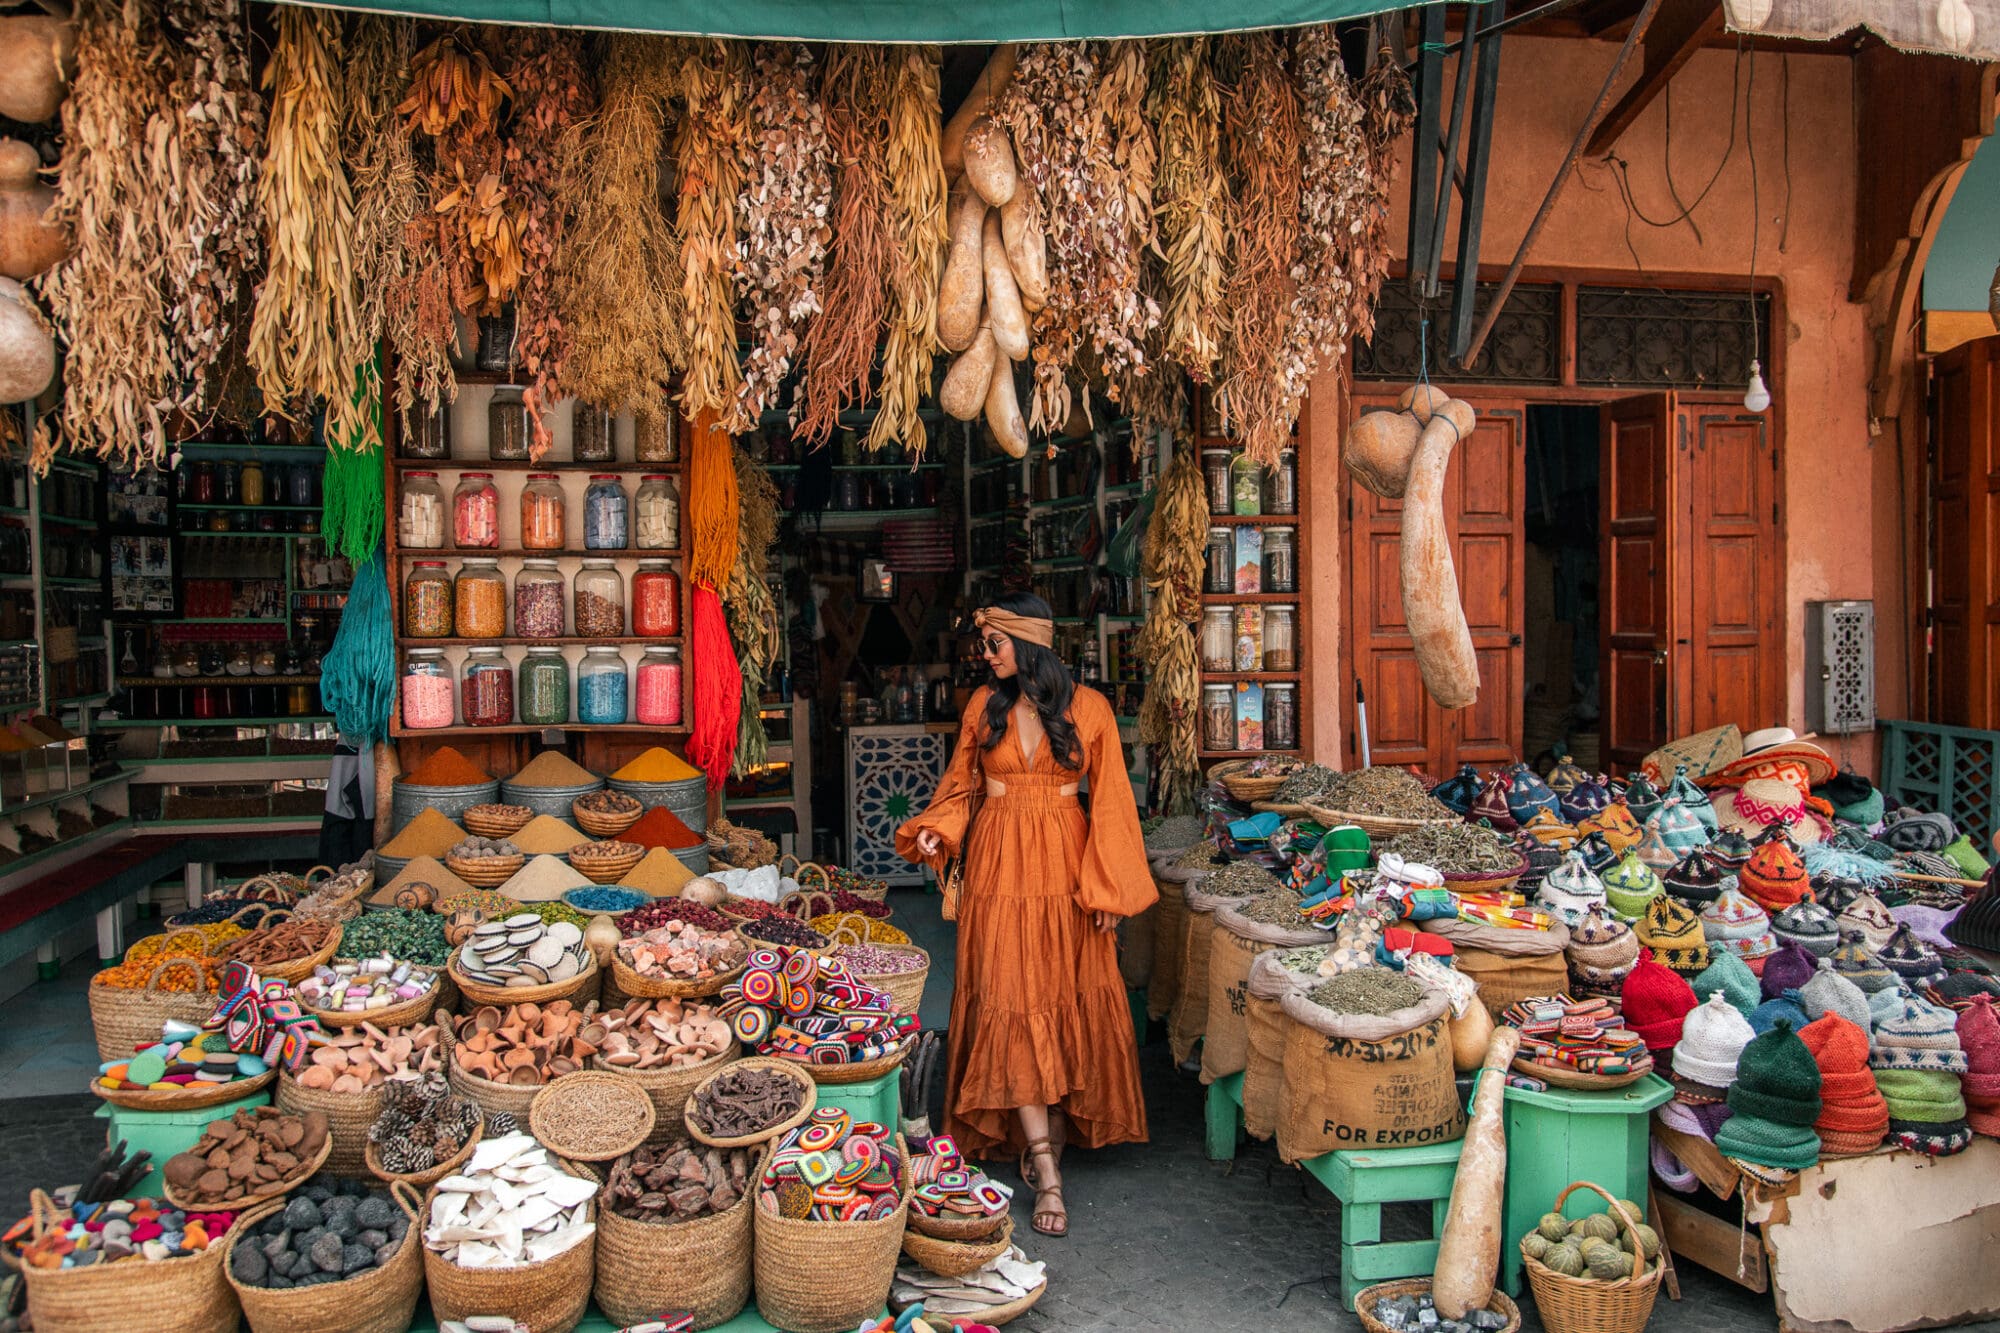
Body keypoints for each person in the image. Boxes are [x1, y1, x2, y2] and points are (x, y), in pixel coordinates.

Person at [897, 593, 1155, 1238]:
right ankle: (1044, 1163)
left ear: (1030, 643)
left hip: (1068, 866)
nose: (984, 656)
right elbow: (961, 785)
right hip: (998, 864)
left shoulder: (1090, 709)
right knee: (1013, 994)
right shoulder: (984, 707)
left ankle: (1049, 1125)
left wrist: (1108, 894)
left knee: (1062, 992)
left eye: (995, 644)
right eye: (983, 645)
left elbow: (1116, 806)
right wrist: (937, 830)